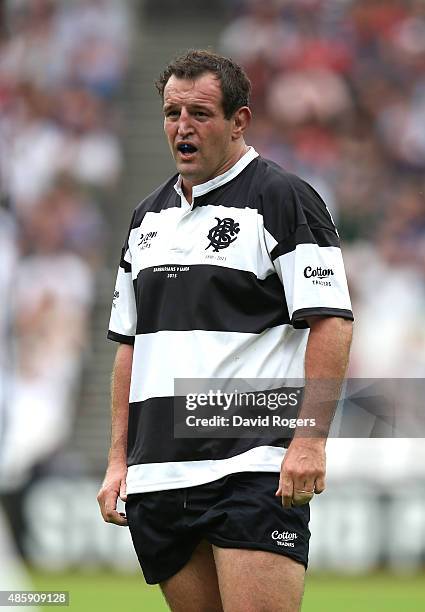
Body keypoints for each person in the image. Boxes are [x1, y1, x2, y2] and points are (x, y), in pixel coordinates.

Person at [97, 49, 353, 612]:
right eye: (172, 113)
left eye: (200, 113)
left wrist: (309, 440)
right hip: (161, 472)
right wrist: (119, 461)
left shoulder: (283, 198)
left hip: (250, 466)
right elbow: (129, 346)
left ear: (239, 121)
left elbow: (331, 322)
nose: (182, 127)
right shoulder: (146, 219)